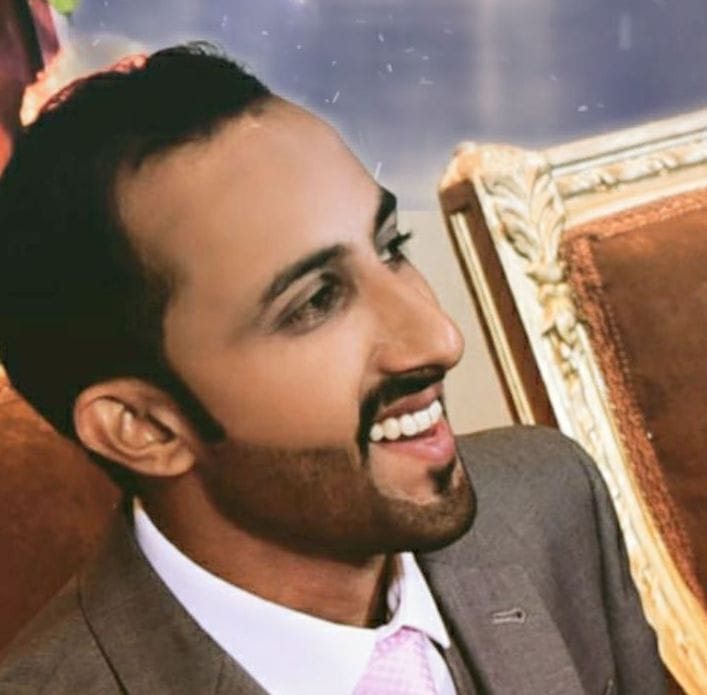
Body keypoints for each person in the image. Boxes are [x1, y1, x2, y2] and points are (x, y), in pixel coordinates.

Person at [0, 43, 665, 694]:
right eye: (315, 301)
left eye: (391, 246)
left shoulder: (550, 500)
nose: (439, 338)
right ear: (144, 426)